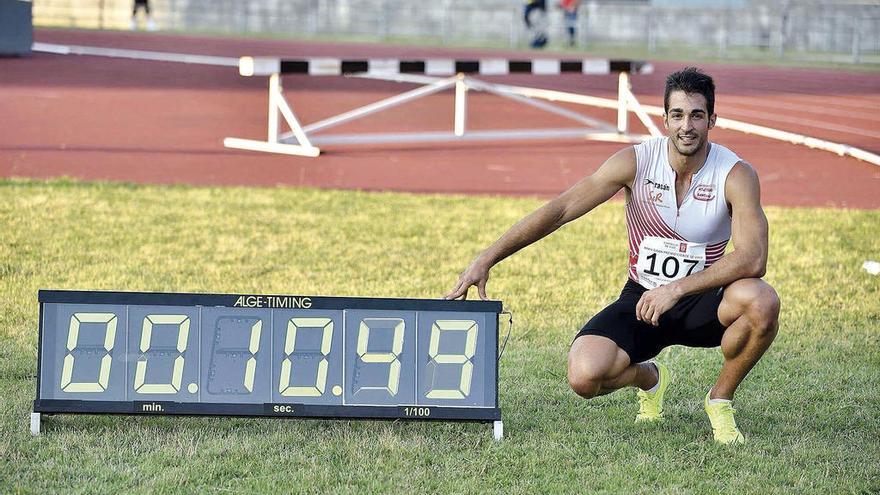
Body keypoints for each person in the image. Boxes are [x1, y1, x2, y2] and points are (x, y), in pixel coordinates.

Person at [445, 67, 780, 444]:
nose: (687, 126)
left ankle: (719, 400)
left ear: (712, 120)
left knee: (762, 300)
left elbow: (754, 258)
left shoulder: (735, 174)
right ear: (665, 119)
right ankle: (649, 377)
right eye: (678, 115)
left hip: (704, 300)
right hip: (642, 298)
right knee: (584, 376)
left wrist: (678, 289)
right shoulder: (635, 163)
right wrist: (488, 257)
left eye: (697, 115)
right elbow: (560, 210)